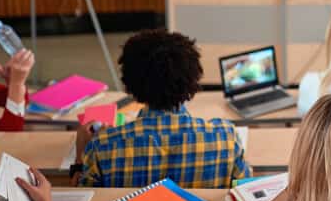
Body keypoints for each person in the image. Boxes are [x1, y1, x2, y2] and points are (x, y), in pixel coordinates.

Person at [72, 29, 251, 188]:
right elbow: (245, 191)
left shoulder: (102, 146)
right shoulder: (227, 138)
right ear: (193, 80)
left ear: (129, 86)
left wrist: (80, 156)